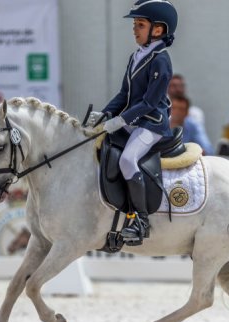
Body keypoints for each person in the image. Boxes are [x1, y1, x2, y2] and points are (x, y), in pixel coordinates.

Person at [87, 0, 177, 245]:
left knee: (127, 159)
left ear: (157, 30)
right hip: (133, 121)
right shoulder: (136, 56)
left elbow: (149, 102)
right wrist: (104, 115)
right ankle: (113, 219)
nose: (134, 29)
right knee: (105, 149)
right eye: (135, 25)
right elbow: (124, 94)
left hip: (152, 124)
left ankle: (141, 220)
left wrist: (121, 120)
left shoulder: (161, 60)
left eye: (140, 24)